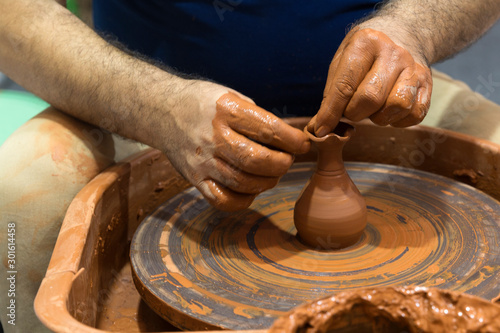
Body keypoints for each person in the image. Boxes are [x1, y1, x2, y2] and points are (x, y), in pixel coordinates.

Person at [1, 0, 500, 331]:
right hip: (138, 95)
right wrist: (156, 107)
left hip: (379, 98)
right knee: (21, 186)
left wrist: (411, 28)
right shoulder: (149, 105)